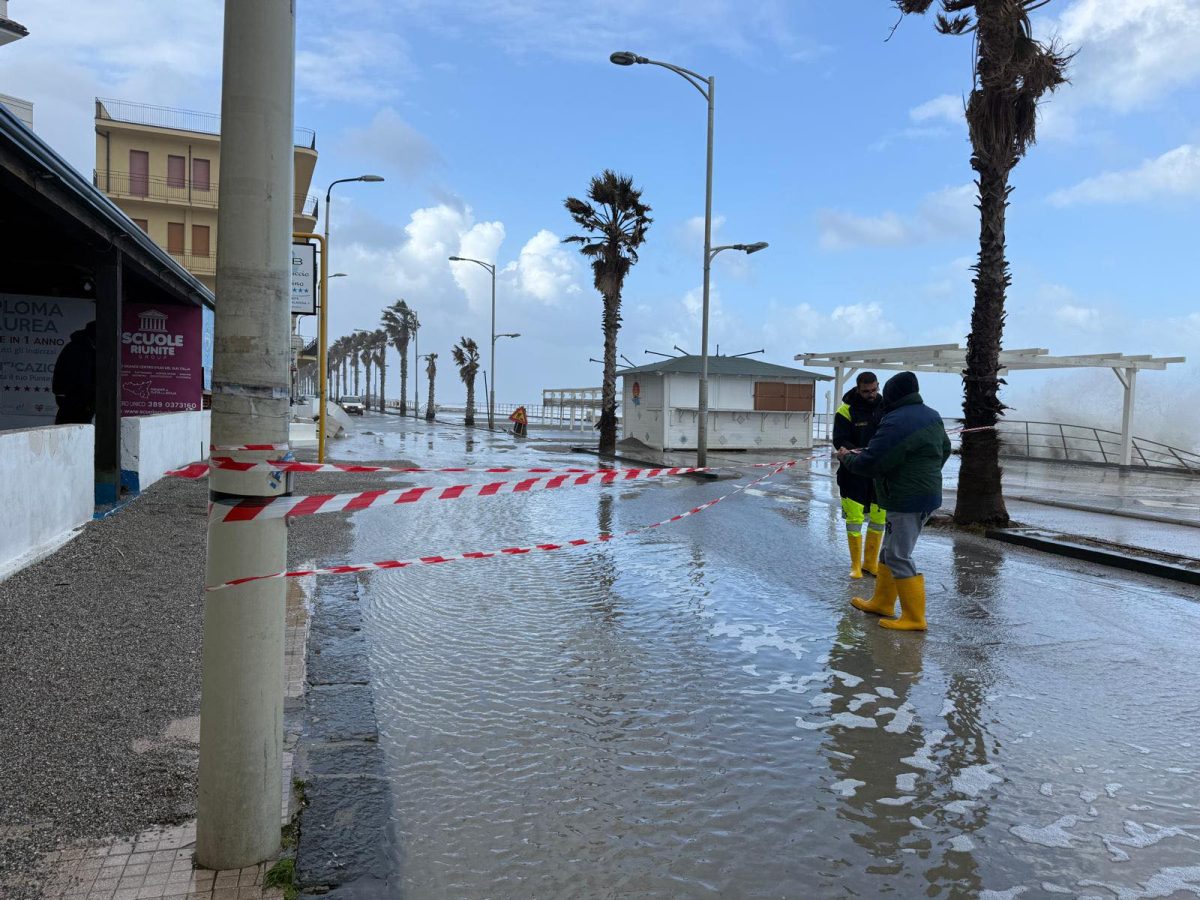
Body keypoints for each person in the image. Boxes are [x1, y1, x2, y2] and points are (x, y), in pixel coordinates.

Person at [835, 371, 951, 631]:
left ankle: (915, 618)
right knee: (888, 551)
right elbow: (945, 449)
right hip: (916, 493)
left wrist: (846, 457)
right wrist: (926, 474)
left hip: (907, 498)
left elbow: (873, 461)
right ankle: (882, 603)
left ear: (892, 394)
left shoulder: (897, 420)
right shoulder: (931, 414)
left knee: (898, 554)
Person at [833, 371, 885, 579]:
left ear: (878, 385)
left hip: (879, 473)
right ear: (858, 389)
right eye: (866, 391)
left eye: (874, 389)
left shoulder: (886, 407)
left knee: (879, 519)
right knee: (855, 519)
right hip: (853, 473)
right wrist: (860, 455)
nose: (871, 394)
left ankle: (870, 563)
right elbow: (840, 440)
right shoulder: (846, 410)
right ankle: (855, 565)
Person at [52, 320, 96, 425]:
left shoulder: (75, 347)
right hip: (77, 402)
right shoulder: (82, 350)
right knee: (72, 427)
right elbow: (85, 378)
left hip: (75, 401)